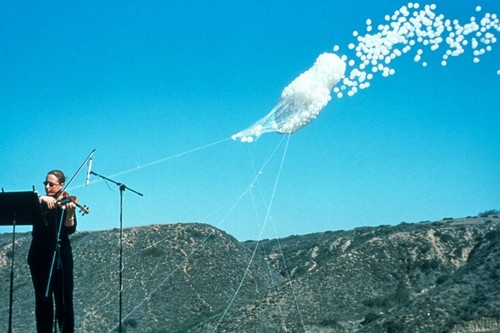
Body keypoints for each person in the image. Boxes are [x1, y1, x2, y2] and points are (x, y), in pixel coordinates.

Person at [28, 170, 77, 333]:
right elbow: (28, 206)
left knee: (64, 300)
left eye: (51, 184)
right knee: (43, 300)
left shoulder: (65, 201)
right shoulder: (39, 202)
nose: (47, 187)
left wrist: (70, 212)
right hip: (39, 256)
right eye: (45, 184)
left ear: (61, 185)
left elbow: (69, 230)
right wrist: (40, 198)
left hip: (61, 256)